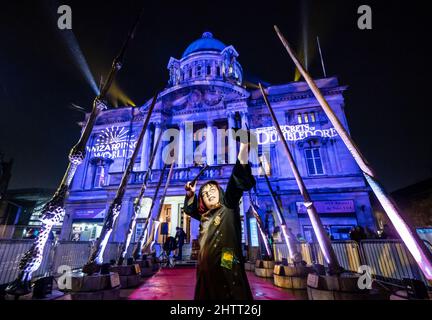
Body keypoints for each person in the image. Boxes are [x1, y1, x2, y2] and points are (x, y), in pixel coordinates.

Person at [183, 137, 255, 300]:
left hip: (226, 263)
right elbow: (189, 209)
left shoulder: (228, 205)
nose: (208, 192)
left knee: (229, 292)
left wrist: (244, 149)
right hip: (205, 271)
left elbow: (236, 178)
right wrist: (190, 194)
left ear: (221, 192)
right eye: (205, 192)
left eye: (212, 189)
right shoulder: (203, 215)